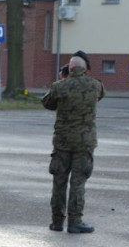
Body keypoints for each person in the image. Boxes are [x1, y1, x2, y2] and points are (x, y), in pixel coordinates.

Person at [42, 54, 105, 234]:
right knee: (78, 183)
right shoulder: (96, 85)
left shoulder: (59, 86)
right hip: (84, 143)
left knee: (59, 182)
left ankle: (57, 221)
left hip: (62, 142)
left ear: (68, 69)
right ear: (85, 69)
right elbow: (100, 96)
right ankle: (75, 222)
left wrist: (62, 80)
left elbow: (47, 103)